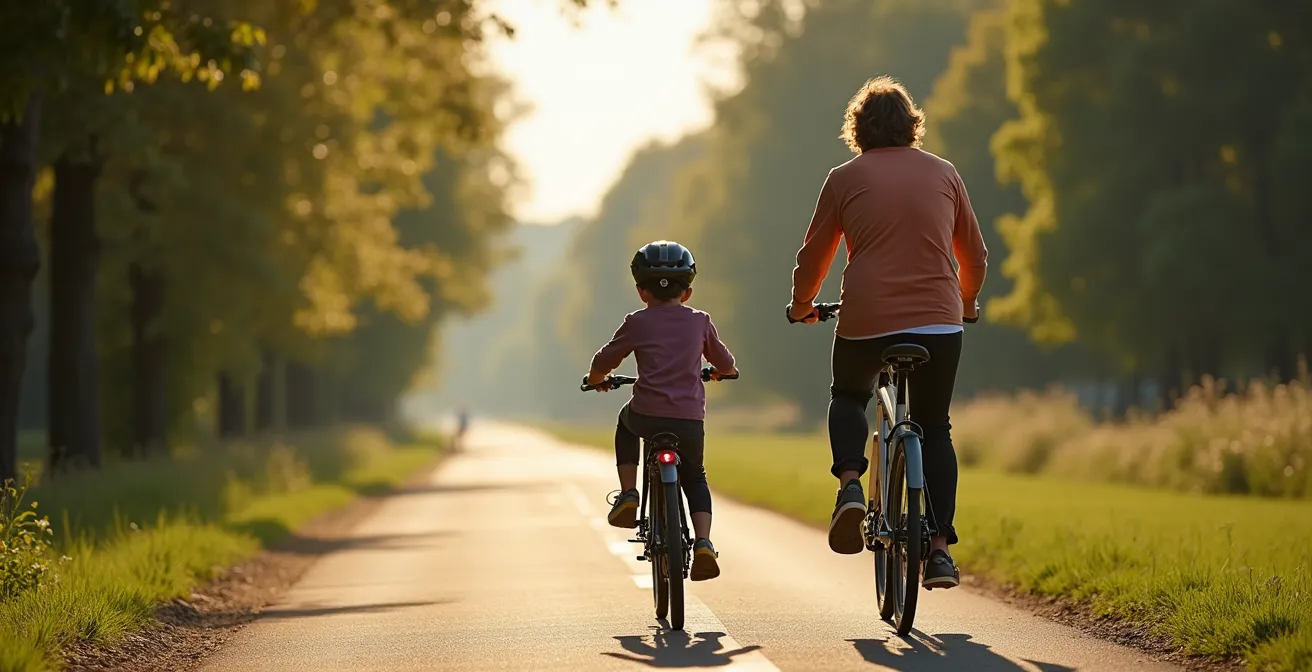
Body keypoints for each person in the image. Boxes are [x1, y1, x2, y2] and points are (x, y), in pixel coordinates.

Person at [787, 76, 987, 589]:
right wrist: (965, 302)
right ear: (912, 125)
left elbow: (816, 254)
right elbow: (975, 254)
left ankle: (852, 484)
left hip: (867, 317)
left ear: (858, 130)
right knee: (934, 425)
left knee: (849, 395)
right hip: (940, 321)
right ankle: (940, 550)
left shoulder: (844, 178)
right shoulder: (945, 173)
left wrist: (804, 304)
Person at [586, 240, 738, 582]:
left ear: (642, 291)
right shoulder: (700, 321)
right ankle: (702, 542)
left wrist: (597, 380)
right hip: (688, 421)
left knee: (625, 423)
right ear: (688, 291)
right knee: (695, 476)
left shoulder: (637, 322)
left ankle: (628, 494)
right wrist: (721, 372)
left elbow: (603, 361)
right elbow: (726, 363)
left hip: (647, 415)